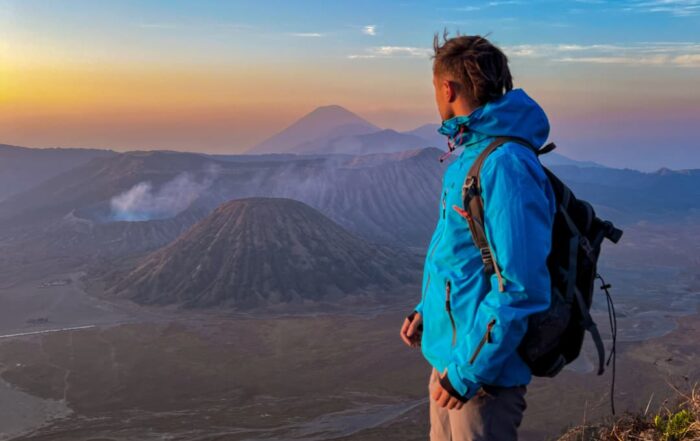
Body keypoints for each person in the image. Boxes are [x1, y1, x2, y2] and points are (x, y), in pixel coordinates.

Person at [399, 31, 557, 440]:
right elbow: (462, 256)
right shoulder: (472, 153)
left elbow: (520, 286)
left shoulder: (504, 165)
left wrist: (468, 371)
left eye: (435, 90)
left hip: (482, 377)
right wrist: (425, 312)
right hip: (453, 360)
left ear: (448, 88)